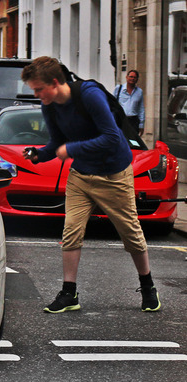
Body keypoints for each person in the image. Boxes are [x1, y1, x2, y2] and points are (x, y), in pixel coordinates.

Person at [20, 56, 160, 314]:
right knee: (71, 231)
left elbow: (110, 137)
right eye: (34, 90)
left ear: (54, 82)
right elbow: (56, 143)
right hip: (81, 176)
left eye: (39, 89)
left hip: (113, 174)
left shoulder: (89, 95)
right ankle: (69, 293)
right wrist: (39, 154)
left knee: (130, 232)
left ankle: (148, 286)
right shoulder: (50, 106)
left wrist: (71, 148)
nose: (37, 95)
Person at [114, 69, 145, 135]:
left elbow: (141, 109)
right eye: (131, 76)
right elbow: (112, 104)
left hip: (133, 121)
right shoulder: (118, 89)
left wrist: (141, 125)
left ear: (137, 79)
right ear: (127, 77)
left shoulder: (139, 91)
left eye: (135, 77)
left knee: (133, 142)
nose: (132, 79)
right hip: (121, 120)